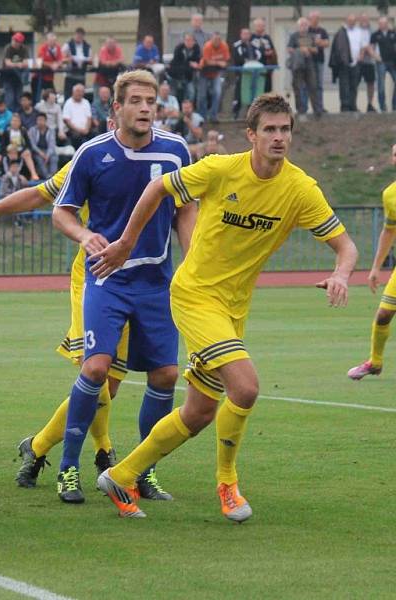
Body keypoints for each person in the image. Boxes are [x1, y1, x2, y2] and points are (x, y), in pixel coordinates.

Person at [93, 92, 357, 522]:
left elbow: (345, 246)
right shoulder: (220, 169)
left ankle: (122, 475)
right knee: (246, 387)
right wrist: (125, 242)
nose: (278, 138)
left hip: (234, 308)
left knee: (198, 413)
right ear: (251, 135)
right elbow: (158, 187)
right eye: (269, 129)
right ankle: (228, 484)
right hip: (195, 294)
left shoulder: (300, 189)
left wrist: (342, 273)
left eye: (285, 129)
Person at [49, 70, 195, 504]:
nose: (146, 107)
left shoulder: (175, 150)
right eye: (136, 100)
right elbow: (62, 212)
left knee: (167, 374)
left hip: (156, 282)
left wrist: (193, 259)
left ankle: (141, 470)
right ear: (116, 108)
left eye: (151, 100)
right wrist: (84, 236)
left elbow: (186, 209)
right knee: (95, 368)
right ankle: (68, 468)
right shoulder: (92, 154)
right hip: (107, 279)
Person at [348, 144, 396, 379]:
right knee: (384, 315)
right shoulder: (390, 194)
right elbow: (389, 231)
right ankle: (375, 363)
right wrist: (376, 267)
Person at [288, 18, 321, 119]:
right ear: (298, 26)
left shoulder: (312, 36)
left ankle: (317, 111)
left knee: (313, 87)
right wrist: (300, 50)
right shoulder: (294, 36)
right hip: (297, 65)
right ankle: (300, 110)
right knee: (298, 87)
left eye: (305, 24)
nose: (303, 26)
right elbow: (289, 49)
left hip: (309, 64)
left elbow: (316, 50)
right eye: (302, 24)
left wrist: (309, 49)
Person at [198, 32, 230, 123]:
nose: (217, 42)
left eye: (219, 40)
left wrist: (218, 63)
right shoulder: (207, 46)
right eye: (215, 40)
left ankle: (213, 115)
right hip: (204, 72)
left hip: (216, 73)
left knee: (217, 93)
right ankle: (202, 116)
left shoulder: (224, 46)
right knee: (202, 95)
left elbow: (226, 60)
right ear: (211, 40)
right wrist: (219, 62)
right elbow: (207, 61)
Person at [231, 28, 262, 119]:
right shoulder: (237, 45)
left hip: (253, 73)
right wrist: (247, 61)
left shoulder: (253, 45)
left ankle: (252, 114)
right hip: (241, 73)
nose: (246, 36)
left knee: (252, 91)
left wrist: (254, 60)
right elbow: (238, 57)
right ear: (240, 35)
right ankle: (235, 113)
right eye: (244, 34)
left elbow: (259, 54)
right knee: (239, 93)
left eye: (248, 34)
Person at [330, 14, 357, 112]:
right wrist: (344, 61)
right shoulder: (341, 32)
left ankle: (353, 105)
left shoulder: (356, 32)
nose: (352, 22)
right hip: (344, 64)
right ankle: (345, 106)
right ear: (346, 21)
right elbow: (339, 49)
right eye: (350, 20)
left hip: (355, 63)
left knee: (353, 86)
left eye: (353, 21)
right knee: (344, 85)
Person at [0, 113, 39, 180]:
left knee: (27, 154)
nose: (15, 123)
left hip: (21, 152)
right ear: (10, 122)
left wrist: (24, 151)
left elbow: (29, 145)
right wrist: (9, 150)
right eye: (13, 121)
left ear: (20, 122)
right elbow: (3, 146)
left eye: (17, 121)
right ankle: (9, 175)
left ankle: (34, 174)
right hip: (10, 151)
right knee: (11, 153)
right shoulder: (6, 132)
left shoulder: (23, 131)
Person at [371, 16, 396, 112]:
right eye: (380, 23)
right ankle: (382, 106)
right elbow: (371, 48)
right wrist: (376, 57)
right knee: (381, 85)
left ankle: (394, 105)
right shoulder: (375, 34)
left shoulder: (393, 33)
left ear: (387, 23)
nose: (382, 25)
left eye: (383, 23)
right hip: (381, 63)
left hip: (393, 62)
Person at [353, 14, 377, 113]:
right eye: (362, 18)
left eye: (366, 19)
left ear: (368, 20)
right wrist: (362, 49)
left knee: (370, 83)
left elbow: (374, 46)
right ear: (359, 20)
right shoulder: (355, 31)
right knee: (354, 83)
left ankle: (370, 104)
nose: (364, 20)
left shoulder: (373, 31)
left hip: (369, 61)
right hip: (357, 61)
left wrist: (366, 49)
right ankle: (353, 105)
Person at [169, 33, 201, 104]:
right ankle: (175, 108)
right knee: (174, 93)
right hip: (176, 74)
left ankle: (188, 109)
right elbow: (177, 62)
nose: (189, 42)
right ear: (184, 41)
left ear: (194, 41)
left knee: (191, 93)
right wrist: (189, 64)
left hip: (189, 75)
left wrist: (194, 65)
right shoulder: (179, 48)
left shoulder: (196, 49)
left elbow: (197, 62)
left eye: (190, 40)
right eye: (187, 40)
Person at [307, 11, 329, 113]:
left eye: (317, 18)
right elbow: (303, 44)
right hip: (308, 62)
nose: (316, 20)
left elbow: (327, 43)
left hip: (319, 60)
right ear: (310, 19)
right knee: (308, 84)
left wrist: (319, 42)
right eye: (314, 18)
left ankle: (319, 107)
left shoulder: (322, 31)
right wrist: (312, 46)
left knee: (319, 85)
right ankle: (306, 108)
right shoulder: (306, 30)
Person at [0, 33, 29, 111]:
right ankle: (10, 116)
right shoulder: (8, 48)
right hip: (8, 77)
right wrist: (18, 64)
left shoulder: (24, 49)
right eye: (14, 40)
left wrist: (18, 65)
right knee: (10, 98)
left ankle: (17, 116)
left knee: (18, 98)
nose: (15, 43)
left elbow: (26, 62)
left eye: (17, 41)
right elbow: (7, 63)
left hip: (19, 77)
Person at [63, 28, 92, 100]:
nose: (79, 37)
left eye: (81, 36)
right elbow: (61, 58)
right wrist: (69, 59)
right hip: (70, 75)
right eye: (78, 35)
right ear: (75, 35)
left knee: (81, 97)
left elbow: (90, 59)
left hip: (81, 76)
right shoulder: (68, 45)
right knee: (68, 97)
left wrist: (86, 60)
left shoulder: (87, 46)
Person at [34, 32, 63, 102]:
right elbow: (40, 61)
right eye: (50, 41)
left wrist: (57, 64)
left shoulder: (58, 48)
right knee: (36, 98)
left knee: (53, 97)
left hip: (49, 78)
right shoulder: (43, 48)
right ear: (47, 41)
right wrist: (51, 65)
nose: (52, 43)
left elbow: (60, 59)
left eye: (54, 41)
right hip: (39, 76)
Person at [251, 18, 277, 94]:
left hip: (267, 68)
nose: (261, 27)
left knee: (267, 90)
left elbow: (273, 50)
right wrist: (263, 52)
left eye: (262, 25)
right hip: (255, 68)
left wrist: (271, 53)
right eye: (259, 25)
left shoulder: (267, 37)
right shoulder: (251, 38)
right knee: (256, 90)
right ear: (255, 26)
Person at [62, 83, 92, 148]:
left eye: (82, 91)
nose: (79, 93)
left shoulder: (86, 102)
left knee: (95, 135)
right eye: (78, 91)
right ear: (73, 92)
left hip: (86, 130)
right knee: (77, 137)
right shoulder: (68, 103)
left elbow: (89, 118)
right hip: (73, 130)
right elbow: (67, 121)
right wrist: (80, 130)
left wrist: (86, 129)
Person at [28, 112, 57, 179]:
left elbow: (52, 145)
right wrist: (41, 153)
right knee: (39, 159)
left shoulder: (51, 130)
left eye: (42, 120)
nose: (40, 122)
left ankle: (53, 176)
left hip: (48, 151)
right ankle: (47, 176)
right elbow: (32, 145)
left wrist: (47, 155)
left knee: (54, 157)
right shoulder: (32, 130)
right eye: (38, 120)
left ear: (45, 121)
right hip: (37, 151)